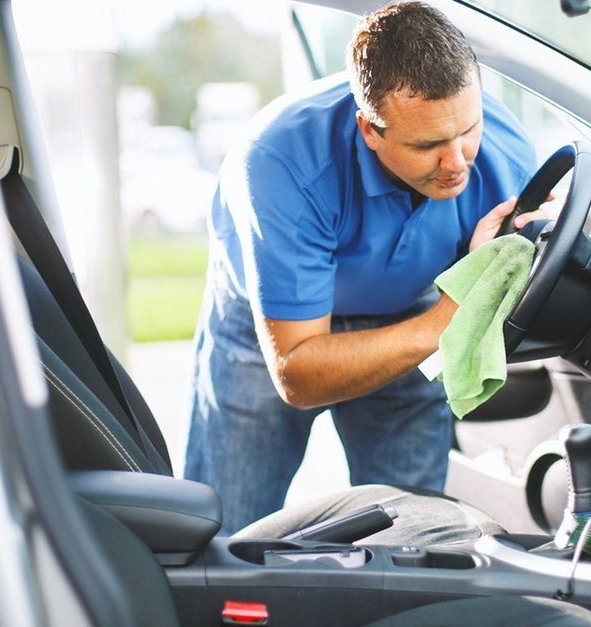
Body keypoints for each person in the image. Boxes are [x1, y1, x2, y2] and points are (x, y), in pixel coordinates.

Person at [185, 0, 543, 533]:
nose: (457, 162)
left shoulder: (506, 156)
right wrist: (446, 321)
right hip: (271, 329)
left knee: (412, 536)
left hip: (413, 307)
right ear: (369, 131)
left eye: (467, 129)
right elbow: (298, 373)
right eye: (427, 145)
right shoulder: (280, 162)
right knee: (225, 535)